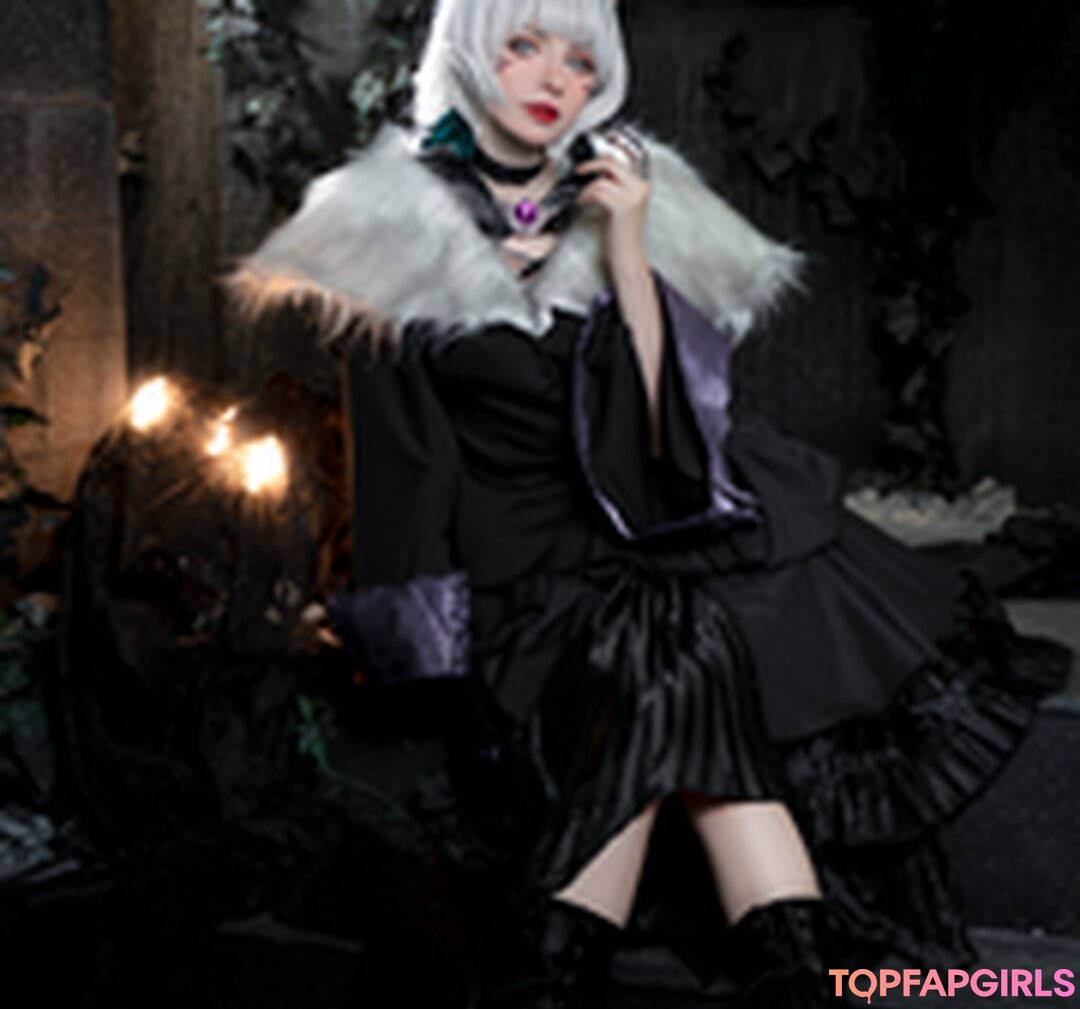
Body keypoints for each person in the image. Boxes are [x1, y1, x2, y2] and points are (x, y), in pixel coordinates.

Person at [231, 0, 1068, 1005]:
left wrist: (628, 252)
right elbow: (405, 468)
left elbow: (673, 448)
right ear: (470, 51)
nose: (556, 79)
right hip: (520, 577)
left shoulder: (637, 199)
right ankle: (782, 963)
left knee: (671, 636)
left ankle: (567, 964)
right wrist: (412, 658)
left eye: (581, 60)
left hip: (646, 535)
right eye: (524, 46)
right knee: (676, 640)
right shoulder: (390, 227)